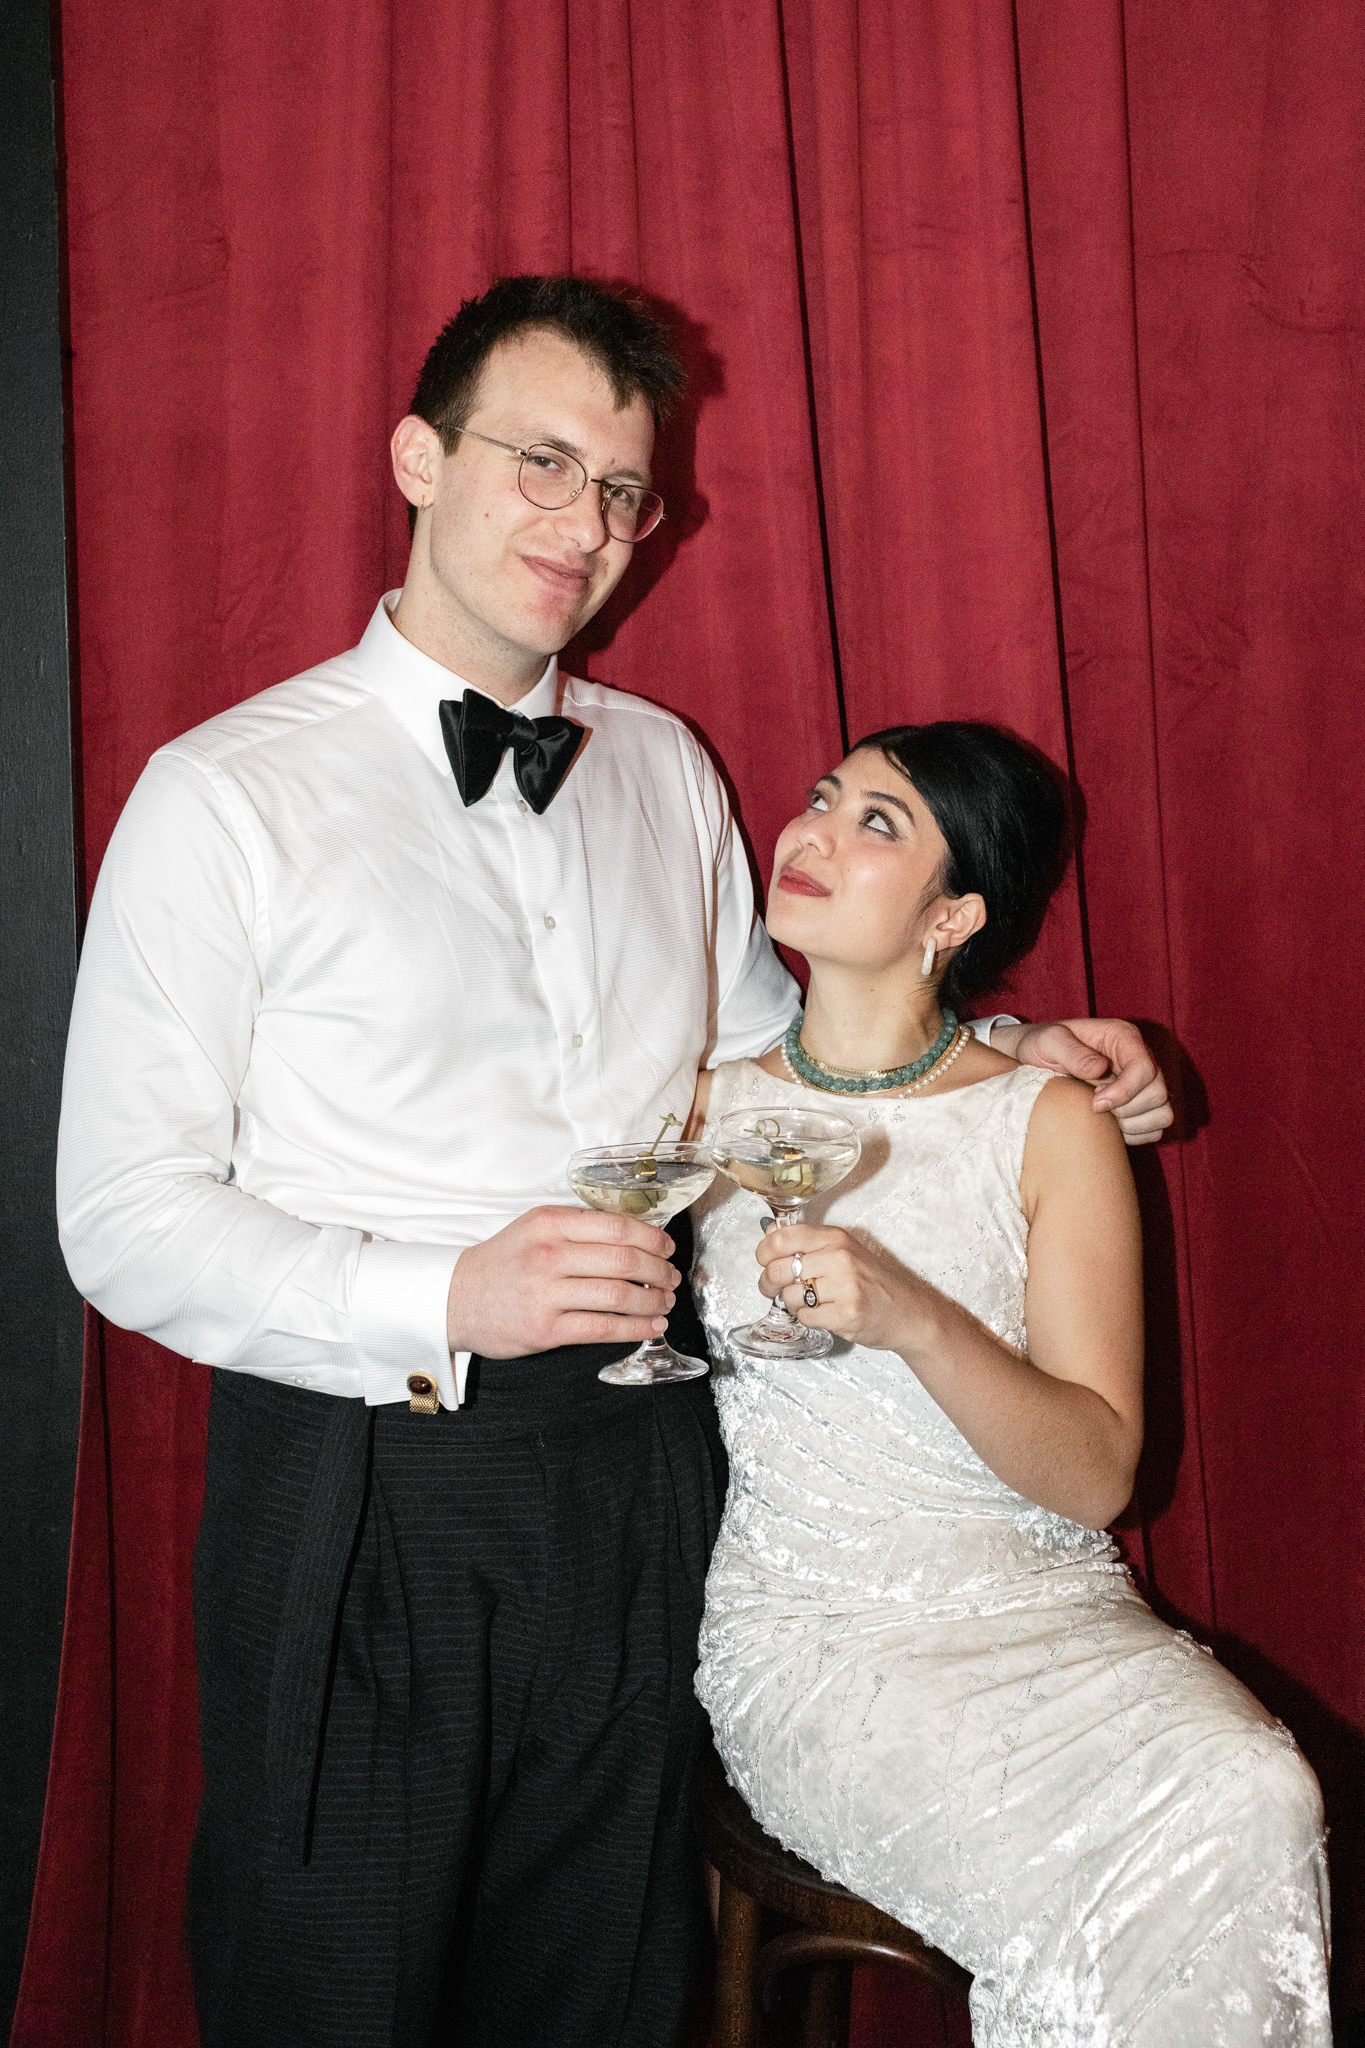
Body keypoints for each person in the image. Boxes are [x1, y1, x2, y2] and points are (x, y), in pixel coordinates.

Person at [57, 276, 1170, 2048]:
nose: (582, 526)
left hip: (652, 1464)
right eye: (541, 463)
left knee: (601, 1988)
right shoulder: (226, 793)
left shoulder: (663, 769)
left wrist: (1013, 1057)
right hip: (374, 1469)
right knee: (332, 1981)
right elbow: (121, 1219)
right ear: (417, 458)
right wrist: (444, 1294)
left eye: (623, 491)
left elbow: (781, 1079)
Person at [688, 721, 1330, 2046]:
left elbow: (1097, 1475)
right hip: (822, 1643)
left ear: (954, 915)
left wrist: (917, 1319)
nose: (811, 833)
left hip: (1048, 1612)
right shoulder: (697, 1114)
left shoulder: (1048, 1122)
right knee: (1112, 1865)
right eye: (822, 798)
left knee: (1253, 1788)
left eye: (876, 823)